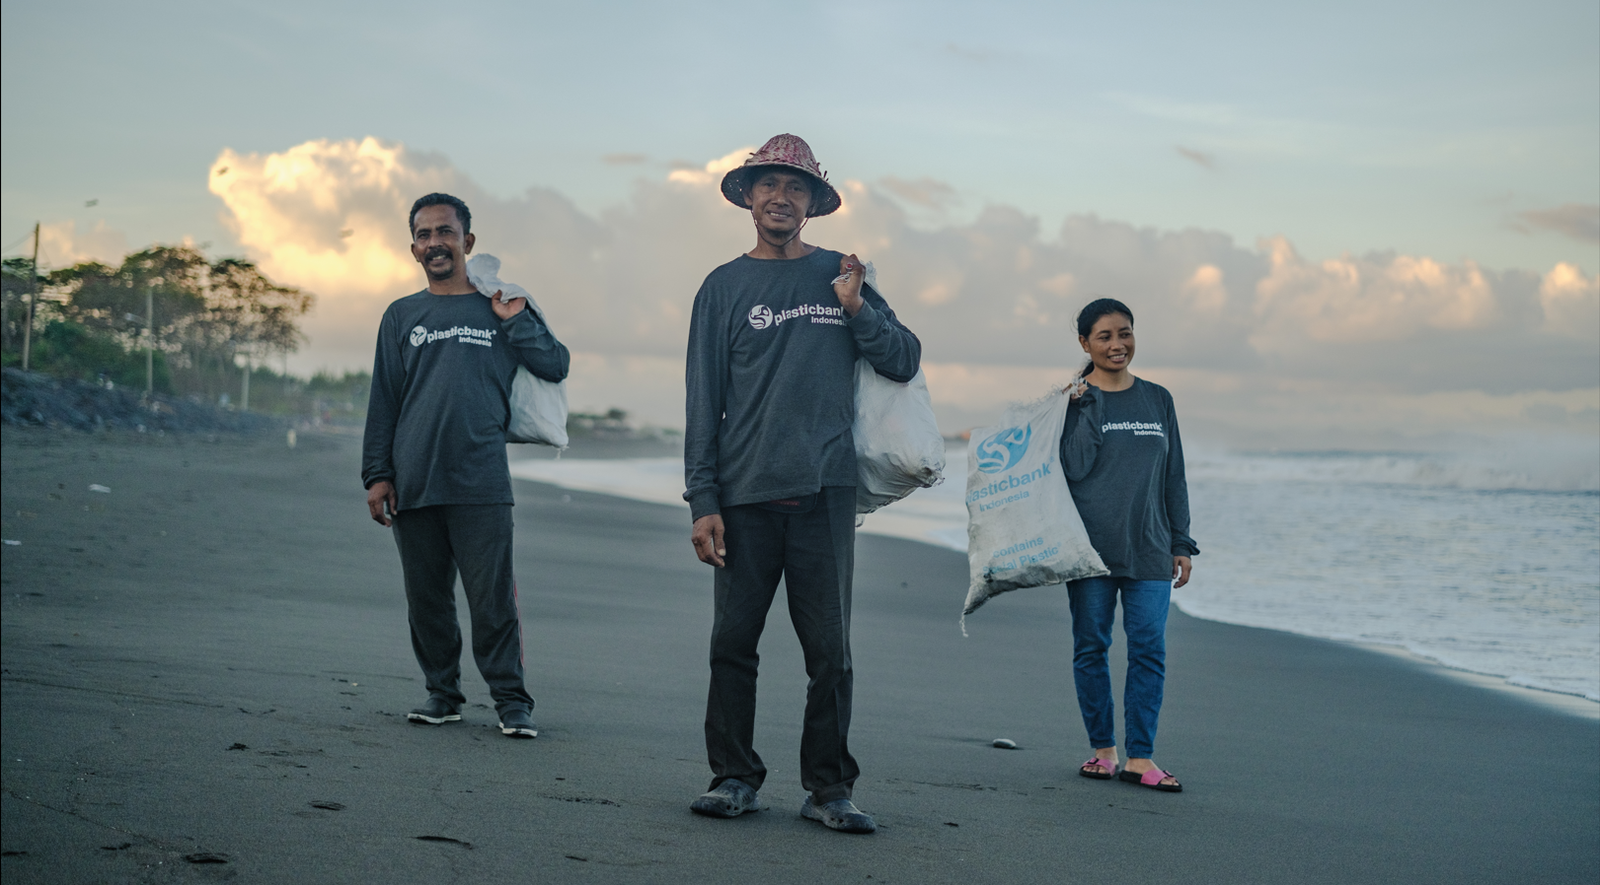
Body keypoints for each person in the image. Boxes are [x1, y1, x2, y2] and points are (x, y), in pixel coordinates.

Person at [682, 134, 922, 834]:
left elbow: (903, 358)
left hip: (825, 490)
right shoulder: (722, 287)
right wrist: (704, 501)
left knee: (830, 652)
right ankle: (732, 776)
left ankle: (828, 787)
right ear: (749, 197)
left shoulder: (842, 275)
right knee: (732, 641)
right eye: (768, 186)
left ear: (814, 202)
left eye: (796, 188)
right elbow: (705, 399)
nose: (780, 198)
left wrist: (855, 305)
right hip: (744, 493)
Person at [361, 192, 570, 739]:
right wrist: (376, 474)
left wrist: (515, 321)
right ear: (413, 248)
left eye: (446, 232)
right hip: (415, 479)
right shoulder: (402, 315)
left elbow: (555, 362)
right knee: (427, 600)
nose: (436, 243)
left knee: (492, 599)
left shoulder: (499, 304)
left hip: (481, 480)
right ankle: (442, 694)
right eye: (425, 235)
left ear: (467, 242)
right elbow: (385, 398)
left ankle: (511, 701)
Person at [1059, 297, 1198, 791]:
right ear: (1085, 343)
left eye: (1126, 333)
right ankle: (1102, 750)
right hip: (1090, 551)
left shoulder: (1158, 399)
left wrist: (1181, 541)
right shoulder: (1073, 400)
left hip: (1151, 548)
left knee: (1148, 649)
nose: (1118, 344)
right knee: (1092, 646)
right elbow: (1074, 467)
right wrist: (1085, 407)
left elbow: (1173, 475)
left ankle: (1141, 757)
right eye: (1105, 336)